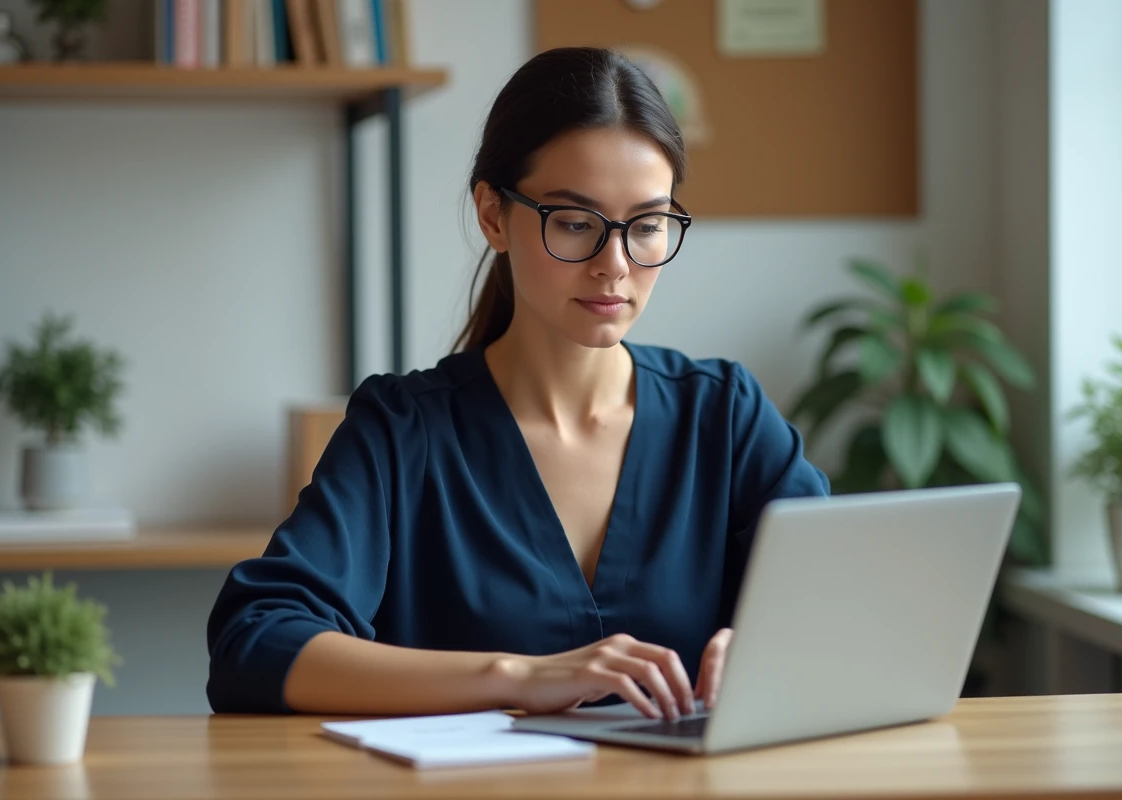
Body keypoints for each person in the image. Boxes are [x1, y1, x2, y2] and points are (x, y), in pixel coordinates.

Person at [205, 46, 829, 722]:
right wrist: (517, 677)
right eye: (575, 224)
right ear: (493, 216)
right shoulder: (403, 431)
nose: (615, 264)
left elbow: (845, 594)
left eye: (647, 226)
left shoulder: (724, 415)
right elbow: (257, 642)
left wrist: (774, 645)